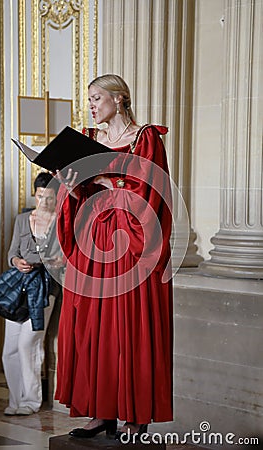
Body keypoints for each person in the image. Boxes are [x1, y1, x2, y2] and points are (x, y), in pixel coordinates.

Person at [54, 74, 173, 441]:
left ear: (119, 99)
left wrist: (107, 182)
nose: (91, 104)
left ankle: (135, 416)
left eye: (97, 97)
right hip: (92, 239)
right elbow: (83, 193)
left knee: (129, 326)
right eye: (89, 98)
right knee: (92, 326)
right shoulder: (88, 139)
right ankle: (100, 411)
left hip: (129, 242)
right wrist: (72, 186)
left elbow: (152, 191)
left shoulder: (145, 137)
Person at [2, 172, 62, 416]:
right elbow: (11, 253)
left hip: (45, 291)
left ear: (56, 197)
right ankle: (15, 401)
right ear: (34, 194)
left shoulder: (61, 223)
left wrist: (45, 262)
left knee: (29, 344)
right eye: (40, 197)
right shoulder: (21, 219)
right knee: (10, 349)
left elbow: (63, 259)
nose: (44, 202)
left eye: (49, 198)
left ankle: (31, 400)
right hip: (19, 289)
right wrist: (17, 261)